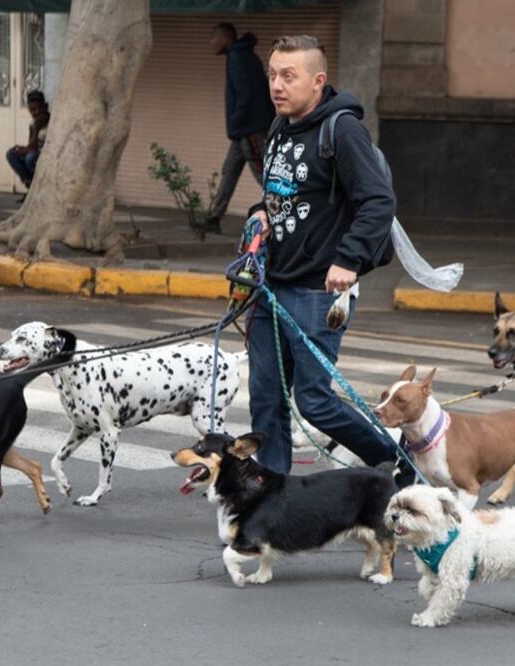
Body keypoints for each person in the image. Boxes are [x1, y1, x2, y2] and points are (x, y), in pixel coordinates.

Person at [245, 34, 396, 474]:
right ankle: (270, 494)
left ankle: (393, 462)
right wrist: (260, 215)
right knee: (266, 399)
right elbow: (278, 193)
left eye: (288, 76)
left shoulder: (342, 129)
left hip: (317, 292)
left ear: (318, 81)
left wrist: (348, 260)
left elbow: (377, 201)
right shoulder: (279, 126)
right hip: (270, 287)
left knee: (314, 401)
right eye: (273, 75)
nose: (276, 85)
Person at [205, 23, 275, 234]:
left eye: (214, 37)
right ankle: (213, 218)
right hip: (244, 130)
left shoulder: (238, 58)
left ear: (226, 37)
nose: (211, 43)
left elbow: (246, 95)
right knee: (230, 171)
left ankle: (286, 211)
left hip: (249, 129)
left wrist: (236, 124)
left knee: (264, 175)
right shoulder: (243, 56)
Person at [6, 90, 50, 201]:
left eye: (39, 108)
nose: (37, 112)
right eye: (33, 110)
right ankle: (31, 187)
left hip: (47, 156)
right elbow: (31, 144)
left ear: (46, 106)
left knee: (30, 158)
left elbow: (39, 148)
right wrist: (24, 149)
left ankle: (37, 188)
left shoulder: (52, 122)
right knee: (11, 153)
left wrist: (37, 128)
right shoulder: (33, 123)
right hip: (35, 152)